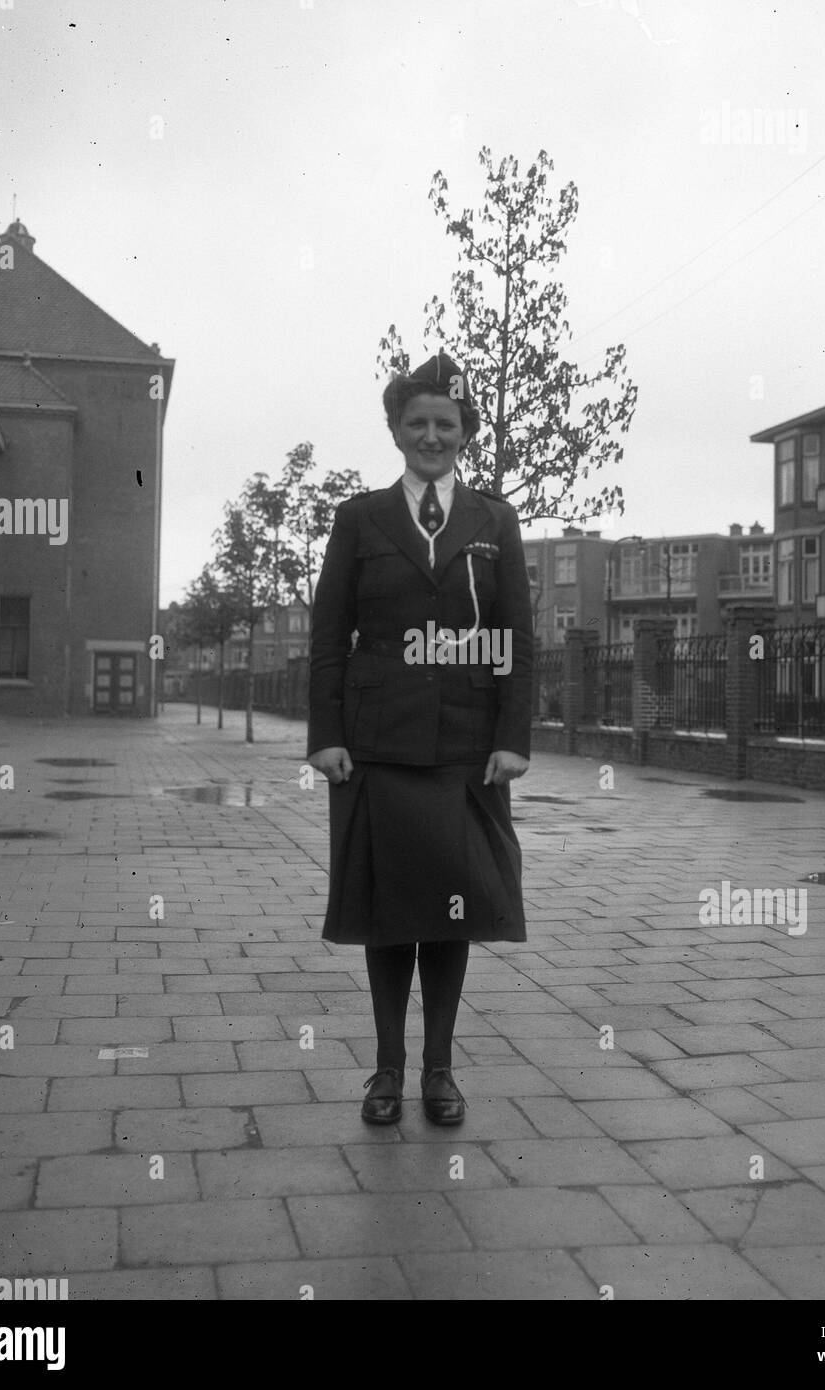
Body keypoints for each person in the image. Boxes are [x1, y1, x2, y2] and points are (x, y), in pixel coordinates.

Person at [307, 349, 533, 1126]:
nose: (431, 436)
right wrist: (326, 735)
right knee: (388, 911)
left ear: (465, 431)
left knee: (453, 910)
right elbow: (330, 634)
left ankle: (440, 1071)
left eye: (446, 423)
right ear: (396, 431)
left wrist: (512, 739)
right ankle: (386, 1072)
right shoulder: (358, 517)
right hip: (377, 745)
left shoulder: (494, 521)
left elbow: (516, 637)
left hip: (468, 749)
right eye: (417, 423)